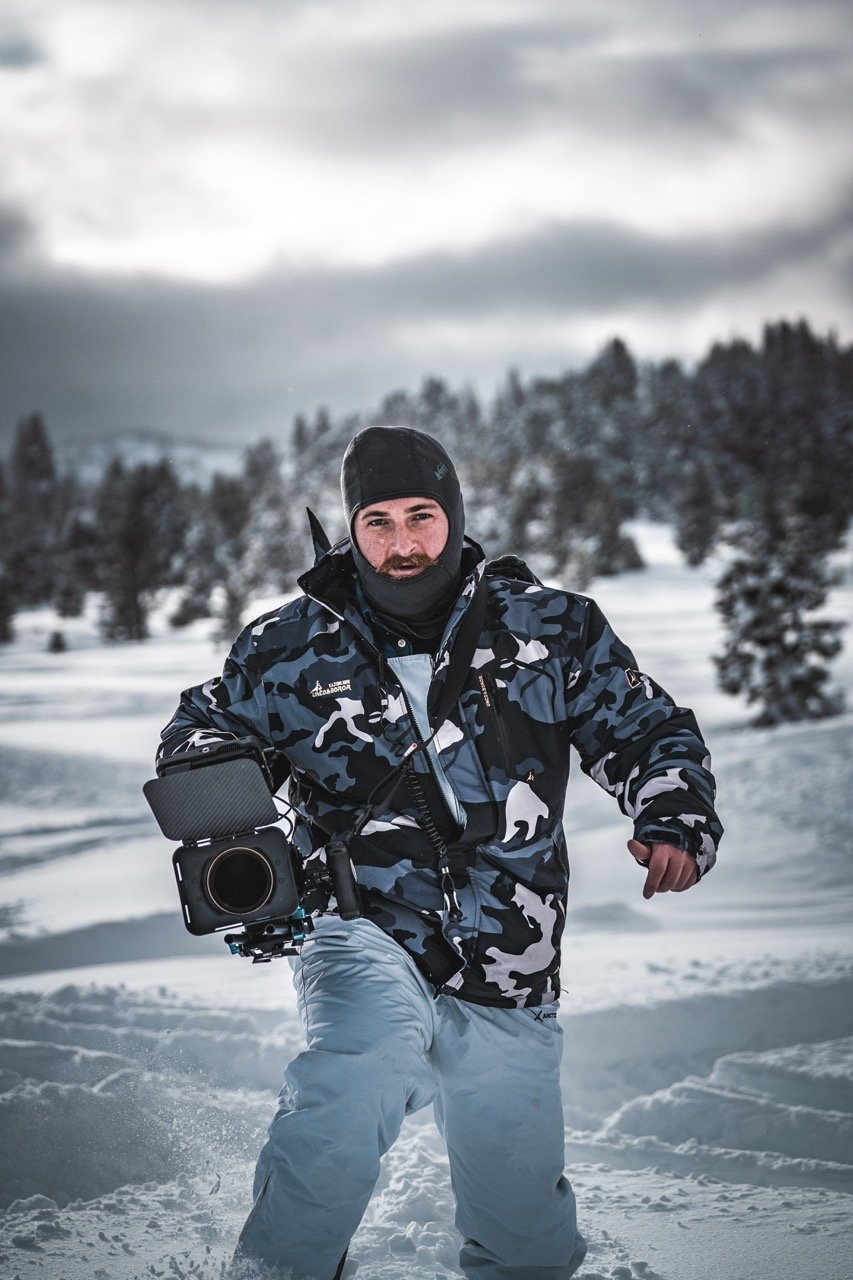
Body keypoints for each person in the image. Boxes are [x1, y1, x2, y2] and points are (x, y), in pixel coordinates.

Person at [157, 426, 723, 1280]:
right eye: (376, 522)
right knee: (354, 1075)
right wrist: (223, 781)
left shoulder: (550, 627)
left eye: (420, 516)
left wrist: (672, 811)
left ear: (454, 516)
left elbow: (647, 730)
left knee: (522, 1226)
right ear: (351, 529)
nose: (401, 543)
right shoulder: (286, 648)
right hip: (359, 928)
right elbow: (199, 727)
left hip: (512, 952)